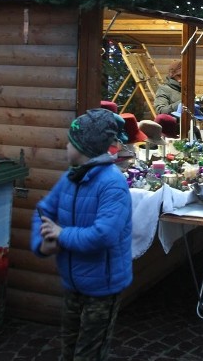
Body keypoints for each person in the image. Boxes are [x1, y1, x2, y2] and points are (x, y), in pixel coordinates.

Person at [31, 109, 133, 360]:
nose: (66, 145)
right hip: (73, 284)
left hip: (102, 289)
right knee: (69, 348)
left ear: (83, 146)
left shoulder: (113, 184)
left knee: (89, 353)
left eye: (70, 141)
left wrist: (62, 235)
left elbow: (104, 235)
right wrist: (42, 244)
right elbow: (44, 210)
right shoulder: (70, 178)